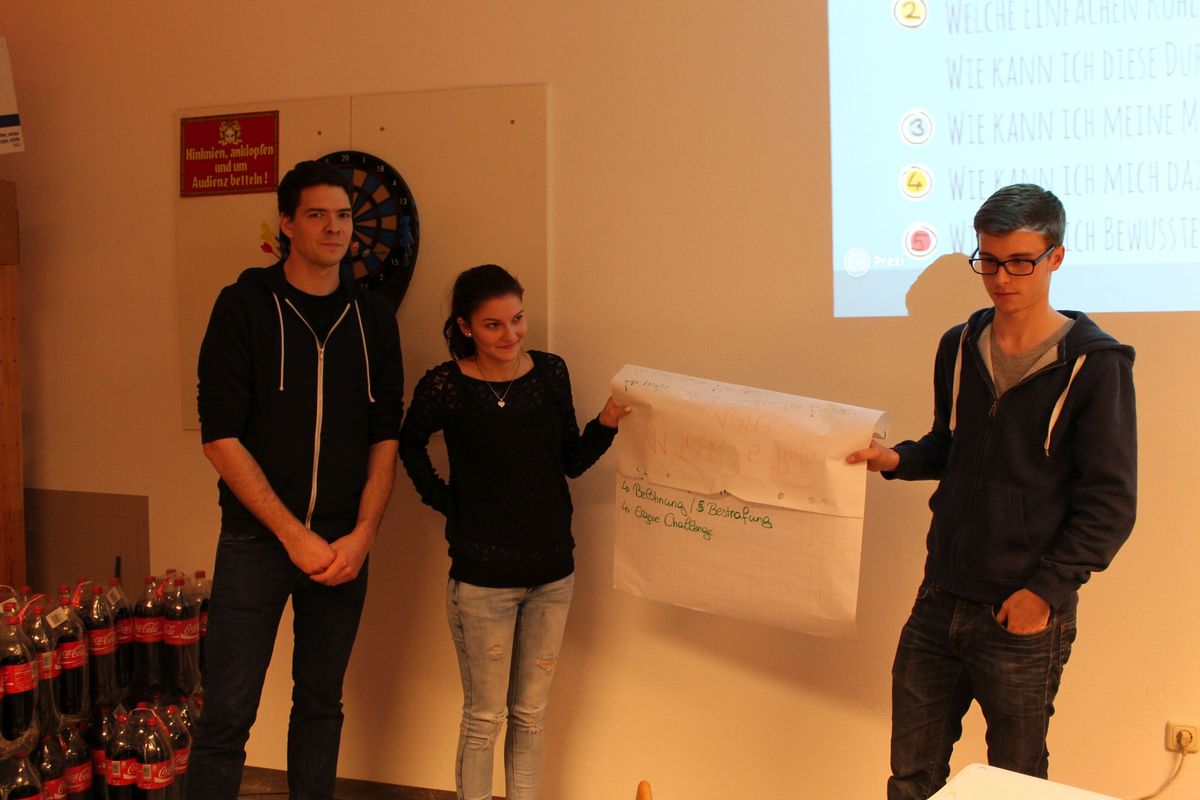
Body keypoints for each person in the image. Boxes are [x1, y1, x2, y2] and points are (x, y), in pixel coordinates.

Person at [847, 184, 1136, 800]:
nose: (1002, 279)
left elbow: (1110, 504)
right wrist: (895, 459)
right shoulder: (958, 345)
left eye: (1020, 262)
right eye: (990, 261)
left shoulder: (1096, 365)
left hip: (1022, 611)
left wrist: (1045, 592)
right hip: (939, 597)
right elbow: (951, 445)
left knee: (1014, 786)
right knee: (911, 779)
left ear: (1056, 257)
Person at [191, 160, 404, 800]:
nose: (334, 228)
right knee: (227, 712)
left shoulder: (373, 318)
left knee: (320, 704)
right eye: (317, 214)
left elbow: (385, 436)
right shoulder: (242, 307)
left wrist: (363, 534)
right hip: (256, 542)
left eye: (343, 216)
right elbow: (219, 436)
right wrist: (291, 534)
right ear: (286, 223)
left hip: (344, 546)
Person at [399, 264, 628, 800]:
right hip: (481, 582)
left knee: (531, 715)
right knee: (485, 718)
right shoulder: (446, 385)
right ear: (465, 327)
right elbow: (408, 443)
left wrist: (606, 424)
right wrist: (447, 502)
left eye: (517, 319)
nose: (511, 334)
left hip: (553, 574)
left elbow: (570, 461)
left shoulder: (550, 373)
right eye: (493, 325)